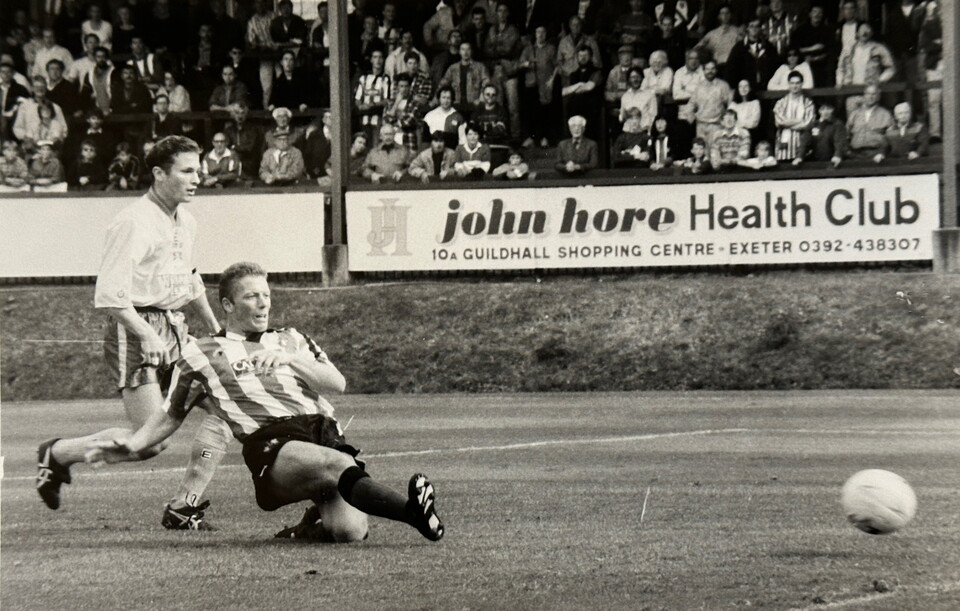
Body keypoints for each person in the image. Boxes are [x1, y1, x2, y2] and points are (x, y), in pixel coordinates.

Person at [82, 261, 444, 543]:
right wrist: (131, 446)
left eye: (266, 294)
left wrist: (291, 360)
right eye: (252, 296)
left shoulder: (291, 338)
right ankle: (413, 513)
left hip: (324, 432)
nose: (263, 302)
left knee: (349, 532)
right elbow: (169, 415)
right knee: (336, 465)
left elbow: (337, 383)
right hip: (273, 444)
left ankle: (310, 526)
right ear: (227, 304)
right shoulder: (201, 353)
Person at [37, 136, 231, 532]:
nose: (198, 178)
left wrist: (216, 329)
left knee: (227, 409)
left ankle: (184, 505)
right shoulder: (132, 222)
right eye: (188, 171)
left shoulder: (185, 220)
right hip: (136, 329)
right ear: (159, 174)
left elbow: (190, 279)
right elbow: (109, 295)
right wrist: (147, 334)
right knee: (151, 442)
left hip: (175, 328)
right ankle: (58, 453)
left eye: (199, 170)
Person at [772, 71, 815, 162]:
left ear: (801, 84)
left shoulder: (808, 103)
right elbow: (779, 122)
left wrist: (787, 123)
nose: (795, 86)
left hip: (802, 146)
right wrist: (799, 120)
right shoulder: (781, 103)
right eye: (792, 83)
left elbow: (808, 123)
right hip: (784, 147)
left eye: (797, 83)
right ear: (788, 84)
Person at [689, 60, 732, 146]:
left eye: (712, 69)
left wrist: (726, 123)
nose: (710, 71)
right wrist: (691, 118)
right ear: (703, 71)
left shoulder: (723, 86)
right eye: (707, 69)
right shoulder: (699, 87)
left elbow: (730, 105)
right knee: (701, 153)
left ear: (716, 70)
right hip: (700, 125)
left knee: (714, 152)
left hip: (716, 125)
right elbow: (691, 104)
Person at [846, 84, 893, 163]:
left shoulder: (885, 114)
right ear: (864, 95)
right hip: (855, 154)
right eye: (868, 94)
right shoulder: (855, 114)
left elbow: (891, 138)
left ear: (878, 96)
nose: (870, 97)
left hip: (876, 155)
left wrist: (882, 153)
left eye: (874, 94)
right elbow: (847, 134)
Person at [797, 101, 847, 167]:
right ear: (819, 111)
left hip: (832, 159)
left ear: (833, 110)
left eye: (828, 109)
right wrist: (799, 156)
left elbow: (839, 142)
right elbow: (804, 141)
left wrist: (837, 155)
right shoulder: (813, 125)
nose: (825, 112)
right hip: (816, 159)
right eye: (823, 109)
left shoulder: (837, 124)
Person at [619, 67, 658, 135]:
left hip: (643, 132)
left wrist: (648, 132)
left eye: (638, 77)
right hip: (628, 133)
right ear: (628, 80)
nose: (635, 79)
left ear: (642, 78)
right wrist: (624, 116)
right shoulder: (625, 96)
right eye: (632, 77)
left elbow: (653, 115)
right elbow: (621, 117)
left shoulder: (649, 95)